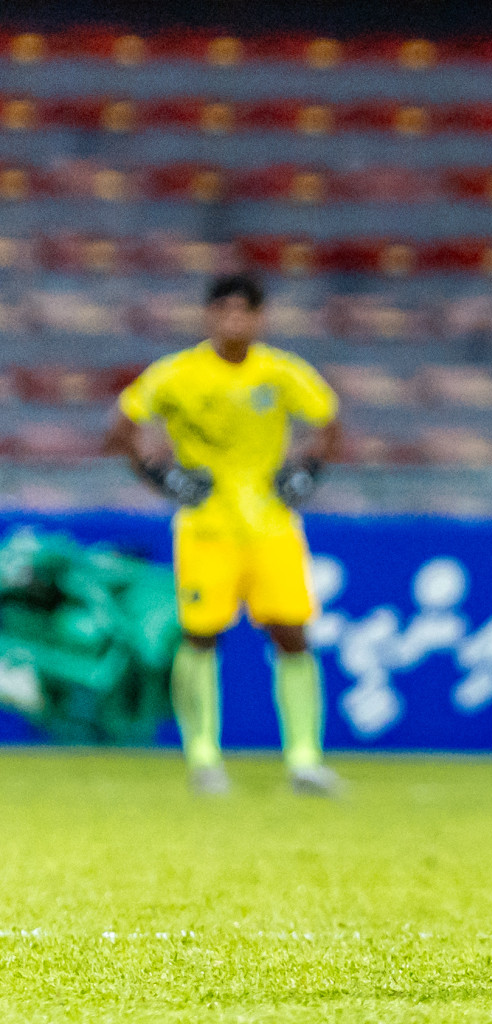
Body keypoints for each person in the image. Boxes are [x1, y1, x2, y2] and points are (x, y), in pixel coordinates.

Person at [105, 273, 343, 797]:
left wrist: (307, 470)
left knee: (291, 633)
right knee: (200, 636)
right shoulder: (179, 374)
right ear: (209, 316)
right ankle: (204, 757)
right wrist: (161, 475)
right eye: (224, 310)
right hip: (207, 527)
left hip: (271, 526)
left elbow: (329, 421)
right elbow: (121, 428)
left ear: (260, 318)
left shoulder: (281, 372)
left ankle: (304, 758)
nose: (234, 320)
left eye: (245, 311)